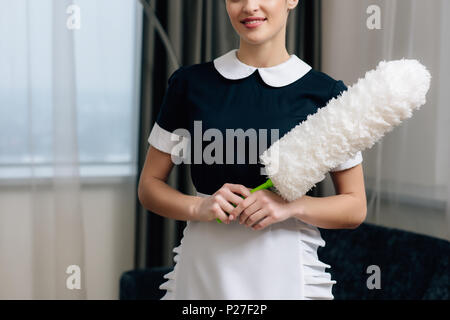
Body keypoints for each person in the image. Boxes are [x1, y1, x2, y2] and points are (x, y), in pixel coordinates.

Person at [138, 0, 367, 300]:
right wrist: (198, 207)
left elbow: (354, 206)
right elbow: (149, 187)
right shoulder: (189, 84)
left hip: (283, 270)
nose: (249, 6)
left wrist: (290, 207)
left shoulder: (327, 95)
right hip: (205, 267)